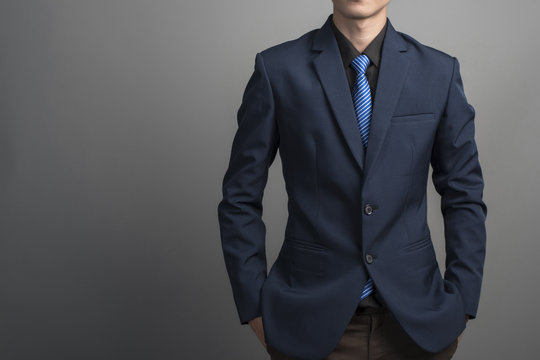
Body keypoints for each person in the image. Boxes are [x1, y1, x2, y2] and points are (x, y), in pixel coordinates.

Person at [217, 1, 487, 359]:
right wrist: (253, 306)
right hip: (307, 325)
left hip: (418, 327)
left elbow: (464, 194)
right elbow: (239, 197)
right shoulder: (277, 69)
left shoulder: (439, 71)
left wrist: (463, 302)